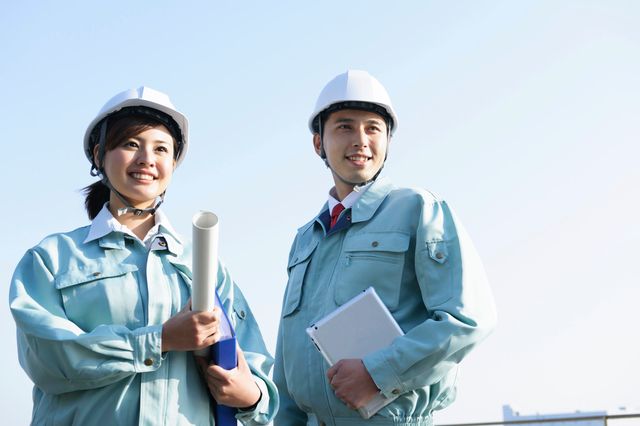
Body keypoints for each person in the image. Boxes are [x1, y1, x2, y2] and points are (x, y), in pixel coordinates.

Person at [9, 87, 278, 425]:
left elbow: (258, 371)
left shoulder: (204, 265)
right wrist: (161, 340)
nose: (146, 159)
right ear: (98, 155)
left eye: (161, 149)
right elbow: (48, 358)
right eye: (130, 144)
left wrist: (250, 394)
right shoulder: (51, 259)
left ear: (173, 164)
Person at [273, 70, 497, 425]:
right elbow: (287, 362)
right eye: (344, 127)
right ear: (318, 143)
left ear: (387, 141)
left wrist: (377, 374)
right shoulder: (305, 239)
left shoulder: (418, 209)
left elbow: (467, 319)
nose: (360, 140)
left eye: (373, 128)